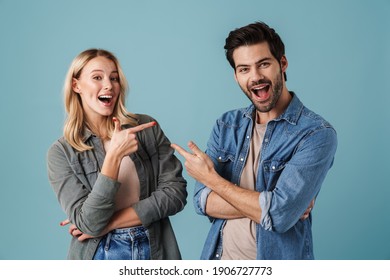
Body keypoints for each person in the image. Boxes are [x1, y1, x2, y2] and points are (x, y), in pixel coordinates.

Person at [172, 21, 337, 260]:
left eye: (264, 64)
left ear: (282, 63)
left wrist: (211, 179)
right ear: (236, 75)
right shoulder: (227, 125)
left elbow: (280, 215)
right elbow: (202, 201)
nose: (255, 77)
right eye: (244, 69)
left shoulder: (316, 133)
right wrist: (268, 205)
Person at [47, 49, 187, 260]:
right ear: (76, 85)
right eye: (97, 77)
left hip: (155, 248)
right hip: (100, 254)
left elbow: (175, 194)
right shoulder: (61, 153)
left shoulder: (146, 128)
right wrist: (113, 157)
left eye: (114, 78)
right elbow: (90, 223)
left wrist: (109, 223)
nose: (108, 85)